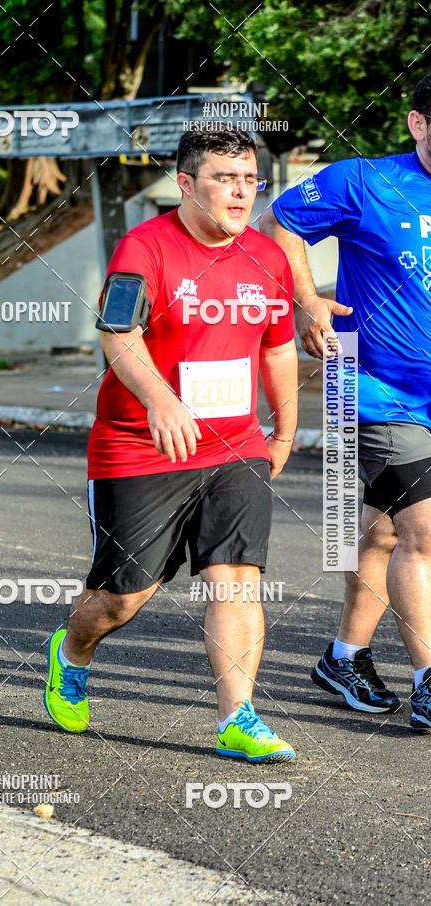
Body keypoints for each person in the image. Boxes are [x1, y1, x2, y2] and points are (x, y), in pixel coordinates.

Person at [44, 127, 298, 763]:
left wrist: (285, 428)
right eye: (224, 179)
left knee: (236, 578)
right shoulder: (144, 248)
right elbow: (117, 333)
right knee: (125, 595)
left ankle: (238, 715)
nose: (240, 193)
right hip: (139, 447)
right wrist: (160, 398)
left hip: (233, 446)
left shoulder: (267, 258)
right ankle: (72, 650)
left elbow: (278, 345)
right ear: (186, 184)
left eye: (250, 181)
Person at [260, 74, 431, 730]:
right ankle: (428, 682)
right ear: (418, 123)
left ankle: (344, 656)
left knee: (386, 529)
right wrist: (305, 300)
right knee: (423, 531)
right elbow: (282, 221)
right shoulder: (362, 180)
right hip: (376, 387)